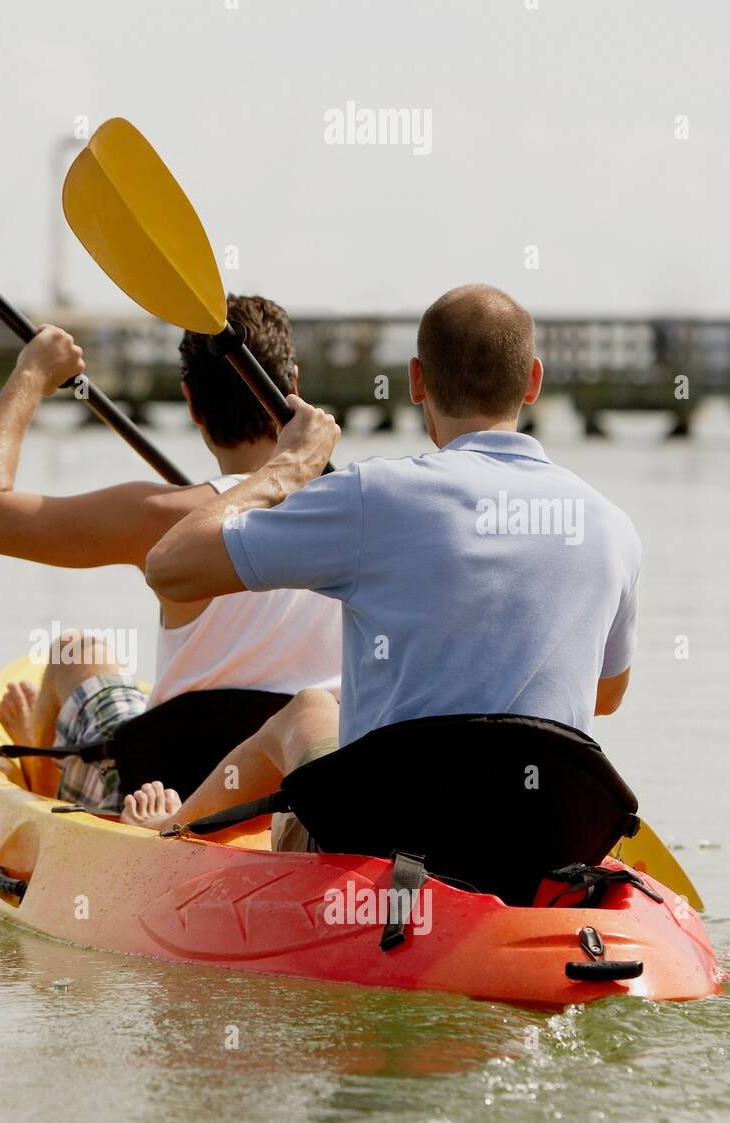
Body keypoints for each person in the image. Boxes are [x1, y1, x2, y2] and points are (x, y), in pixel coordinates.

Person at [125, 284, 641, 844]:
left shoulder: (373, 494)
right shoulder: (613, 526)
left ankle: (169, 832)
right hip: (545, 834)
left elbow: (170, 566)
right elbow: (605, 695)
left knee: (309, 708)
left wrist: (291, 464)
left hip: (389, 835)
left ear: (417, 379)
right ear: (534, 381)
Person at [0, 295, 341, 812]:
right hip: (304, 772)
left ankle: (42, 768)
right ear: (294, 385)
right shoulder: (358, 505)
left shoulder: (162, 515)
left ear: (191, 403)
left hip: (170, 784)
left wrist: (31, 374)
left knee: (74, 653)